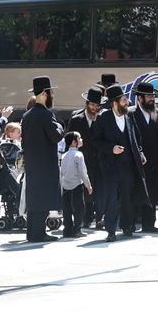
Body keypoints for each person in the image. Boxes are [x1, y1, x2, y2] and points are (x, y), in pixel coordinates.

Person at [92, 84, 148, 242]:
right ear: (114, 103)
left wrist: (141, 152)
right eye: (124, 100)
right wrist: (111, 148)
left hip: (128, 166)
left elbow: (137, 137)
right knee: (112, 199)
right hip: (110, 167)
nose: (127, 103)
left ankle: (127, 226)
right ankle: (110, 230)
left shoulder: (129, 116)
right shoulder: (103, 118)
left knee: (127, 198)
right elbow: (96, 141)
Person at [21, 76, 64, 242]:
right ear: (45, 94)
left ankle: (32, 232)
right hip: (46, 164)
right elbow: (56, 136)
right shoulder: (46, 115)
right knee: (44, 199)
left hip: (32, 163)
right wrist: (60, 126)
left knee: (34, 198)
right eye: (51, 92)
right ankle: (39, 233)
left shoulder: (27, 115)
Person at [68, 85, 105, 229]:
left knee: (100, 190)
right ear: (87, 104)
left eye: (97, 105)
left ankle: (99, 217)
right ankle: (86, 218)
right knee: (84, 191)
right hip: (83, 160)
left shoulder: (102, 119)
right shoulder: (77, 119)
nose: (95, 108)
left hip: (99, 161)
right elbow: (69, 141)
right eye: (93, 105)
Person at [130, 81, 158, 232]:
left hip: (154, 161)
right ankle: (133, 222)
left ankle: (149, 224)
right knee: (136, 191)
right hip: (137, 161)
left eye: (152, 96)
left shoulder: (157, 114)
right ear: (139, 98)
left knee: (152, 191)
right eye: (148, 96)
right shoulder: (131, 115)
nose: (152, 99)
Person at [60, 131, 93, 238]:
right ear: (74, 142)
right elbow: (83, 172)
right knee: (79, 208)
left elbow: (62, 171)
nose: (81, 140)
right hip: (77, 185)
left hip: (65, 185)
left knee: (67, 209)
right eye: (79, 138)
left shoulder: (64, 155)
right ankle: (77, 229)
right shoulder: (79, 155)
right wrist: (88, 184)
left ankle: (67, 230)